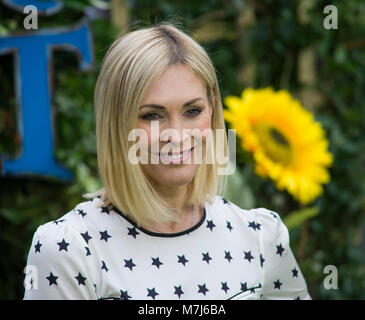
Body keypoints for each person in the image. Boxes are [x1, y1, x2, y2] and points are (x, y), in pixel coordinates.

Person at [23, 21, 311, 300]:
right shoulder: (69, 248)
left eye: (192, 111)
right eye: (152, 115)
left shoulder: (262, 236)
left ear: (212, 110)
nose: (176, 135)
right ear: (116, 124)